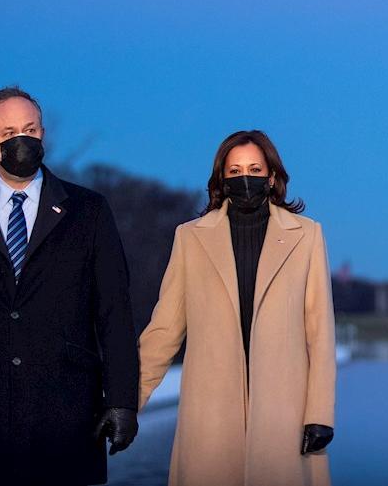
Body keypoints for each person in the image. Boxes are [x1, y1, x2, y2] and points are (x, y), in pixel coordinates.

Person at [0, 87, 139, 485]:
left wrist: (122, 400)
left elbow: (115, 312)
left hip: (69, 414)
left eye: (30, 128)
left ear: (43, 133)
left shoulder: (88, 211)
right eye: (8, 133)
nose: (21, 140)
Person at [139, 130, 336, 486]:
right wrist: (126, 402)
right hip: (210, 416)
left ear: (272, 176)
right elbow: (164, 330)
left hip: (284, 415)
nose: (245, 178)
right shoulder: (190, 237)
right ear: (222, 179)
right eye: (235, 171)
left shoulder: (306, 235)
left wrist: (319, 413)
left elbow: (320, 333)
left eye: (255, 168)